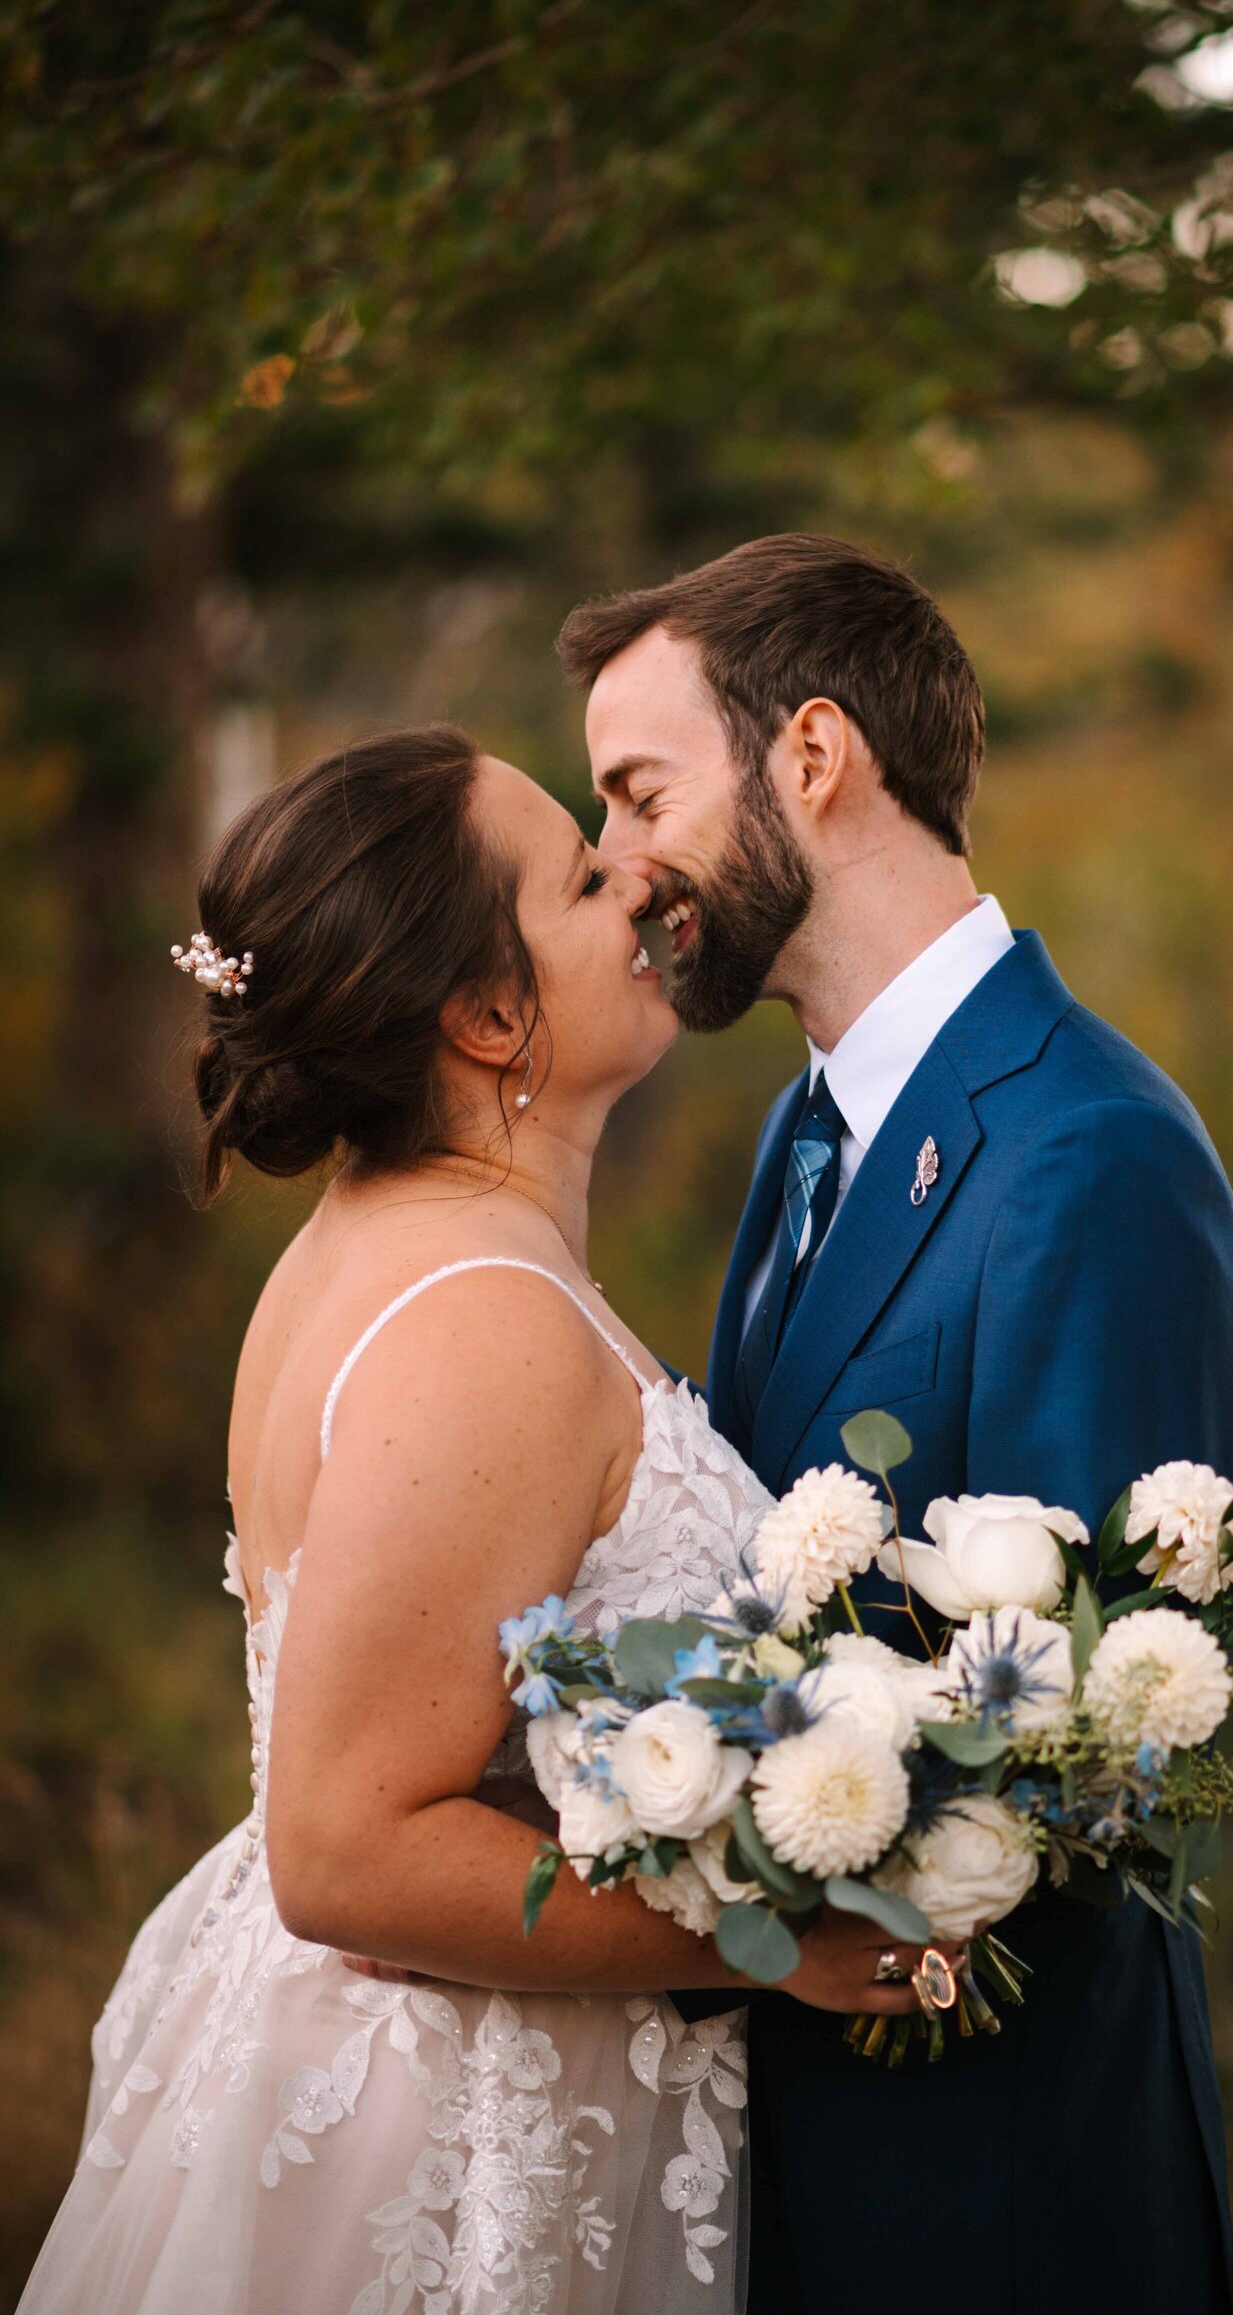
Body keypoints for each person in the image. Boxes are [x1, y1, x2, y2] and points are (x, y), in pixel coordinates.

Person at [19, 724, 920, 2315]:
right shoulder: (480, 1319)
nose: (635, 870)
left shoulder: (389, 1246)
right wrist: (778, 1943)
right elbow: (348, 1849)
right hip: (452, 2148)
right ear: (494, 1012)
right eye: (582, 876)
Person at [571, 533, 1233, 2315]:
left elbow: (1098, 1753)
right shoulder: (805, 1136)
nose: (613, 865)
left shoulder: (1087, 1149)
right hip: (791, 2155)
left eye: (639, 793)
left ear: (814, 754)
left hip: (1002, 2190)